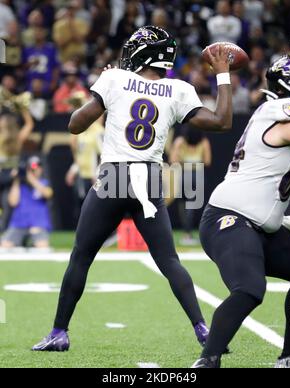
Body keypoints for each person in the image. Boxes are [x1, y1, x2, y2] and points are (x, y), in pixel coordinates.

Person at [32, 26, 232, 353]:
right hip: (150, 179)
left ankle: (59, 332)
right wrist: (222, 75)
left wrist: (103, 93)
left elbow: (75, 124)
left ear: (141, 53)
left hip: (115, 175)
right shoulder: (178, 89)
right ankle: (203, 330)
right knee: (169, 260)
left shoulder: (114, 79)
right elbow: (222, 121)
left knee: (81, 256)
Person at [192, 56, 290, 368]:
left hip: (260, 225)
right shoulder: (277, 110)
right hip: (230, 216)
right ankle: (207, 361)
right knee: (250, 289)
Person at [170, 125, 212, 245]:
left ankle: (186, 233)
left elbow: (173, 160)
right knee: (191, 204)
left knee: (183, 204)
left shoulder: (180, 142)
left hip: (183, 173)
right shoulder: (204, 142)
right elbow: (208, 161)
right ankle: (188, 234)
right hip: (197, 174)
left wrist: (183, 160)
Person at [1, 156, 53, 248]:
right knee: (5, 245)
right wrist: (16, 180)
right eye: (30, 170)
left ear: (41, 169)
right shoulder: (19, 185)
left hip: (38, 223)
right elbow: (13, 202)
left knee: (42, 246)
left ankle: (31, 245)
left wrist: (30, 178)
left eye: (36, 169)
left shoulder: (44, 183)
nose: (33, 172)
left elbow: (48, 194)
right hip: (19, 223)